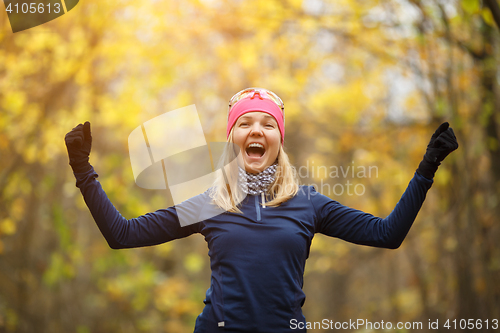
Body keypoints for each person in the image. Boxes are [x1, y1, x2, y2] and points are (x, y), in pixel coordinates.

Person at [65, 87, 459, 332]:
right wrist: (83, 168)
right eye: (246, 123)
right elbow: (123, 235)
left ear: (279, 140)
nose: (256, 130)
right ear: (233, 138)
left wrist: (428, 166)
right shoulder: (210, 203)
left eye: (268, 124)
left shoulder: (309, 204)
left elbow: (386, 234)